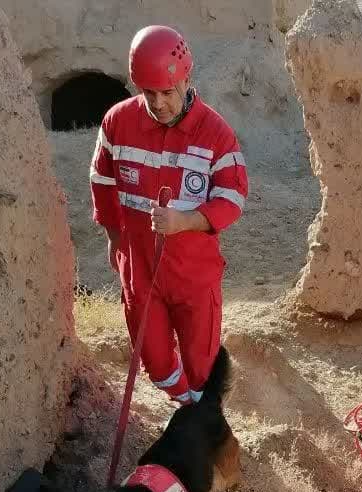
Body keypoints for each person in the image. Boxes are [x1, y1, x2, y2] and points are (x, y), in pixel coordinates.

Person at [89, 25, 249, 404]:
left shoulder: (215, 133)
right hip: (140, 270)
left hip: (193, 275)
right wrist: (114, 237)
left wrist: (186, 221)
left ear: (187, 78)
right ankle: (184, 404)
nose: (158, 103)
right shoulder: (117, 122)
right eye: (149, 92)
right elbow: (102, 180)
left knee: (201, 368)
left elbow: (232, 197)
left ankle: (201, 415)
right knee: (157, 364)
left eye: (167, 92)